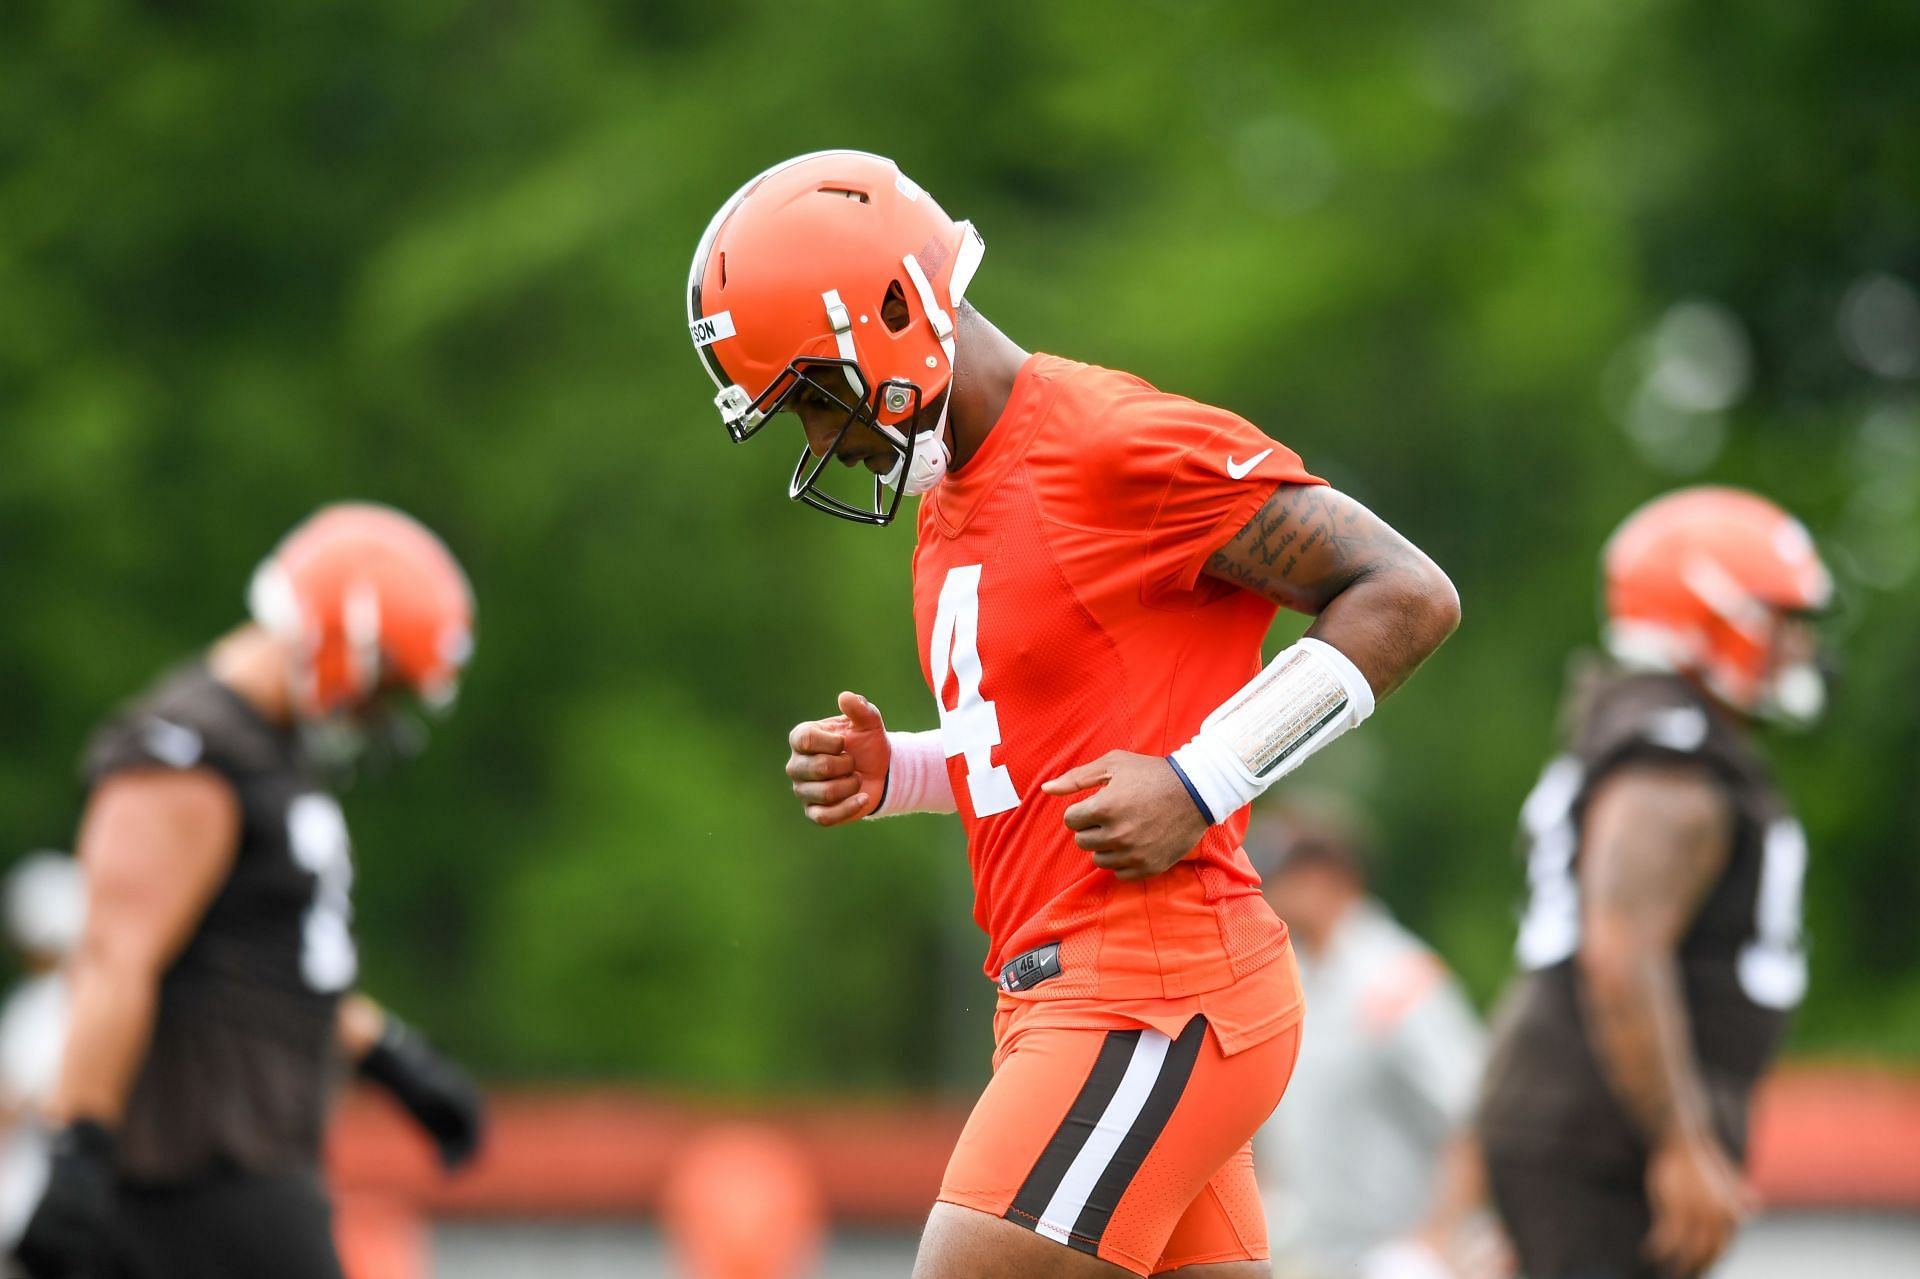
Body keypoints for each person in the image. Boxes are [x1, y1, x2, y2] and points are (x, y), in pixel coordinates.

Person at [687, 150, 1461, 1278]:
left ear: (895, 316)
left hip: (1151, 988)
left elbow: (1406, 593)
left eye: (812, 397)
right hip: (1085, 996)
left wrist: (1205, 777)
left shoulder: (1108, 442)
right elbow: (1043, 744)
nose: (819, 439)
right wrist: (899, 769)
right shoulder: (952, 493)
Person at [14, 503, 477, 1279]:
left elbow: (265, 966)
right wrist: (80, 1146)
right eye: (385, 688)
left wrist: (393, 1058)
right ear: (347, 643)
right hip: (192, 1168)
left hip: (251, 1160)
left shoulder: (267, 754)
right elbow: (115, 957)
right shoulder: (189, 754)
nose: (378, 714)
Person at [1475, 486, 1833, 1279]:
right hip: (1603, 1132)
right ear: (1720, 614)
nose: (1800, 647)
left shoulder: (1654, 736)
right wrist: (1680, 1142)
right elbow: (1619, 950)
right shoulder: (1670, 765)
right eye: (1786, 621)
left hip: (1579, 1121)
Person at [1246, 802, 1496, 1279]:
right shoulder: (1290, 978)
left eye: (1281, 876)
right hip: (1317, 1256)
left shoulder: (1397, 979)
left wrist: (1437, 1241)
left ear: (1327, 877)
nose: (1265, 891)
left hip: (1397, 1258)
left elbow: (1475, 1114)